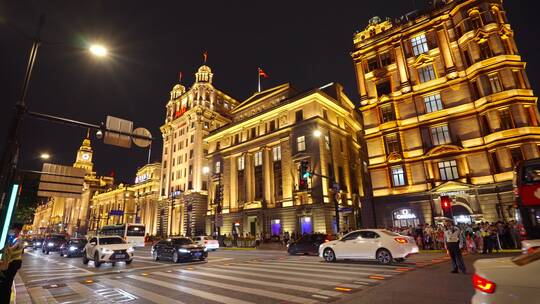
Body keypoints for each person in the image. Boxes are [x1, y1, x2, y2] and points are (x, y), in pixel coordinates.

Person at [0, 225, 24, 303]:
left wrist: (8, 249)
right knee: (5, 282)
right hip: (10, 262)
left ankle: (5, 300)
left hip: (14, 263)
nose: (11, 231)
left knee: (7, 283)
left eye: (12, 229)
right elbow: (5, 248)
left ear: (17, 230)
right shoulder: (12, 238)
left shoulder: (19, 239)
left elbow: (13, 248)